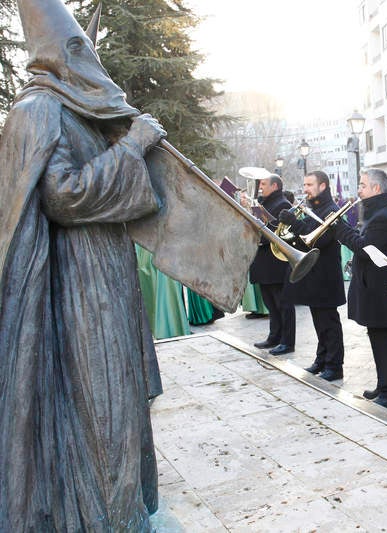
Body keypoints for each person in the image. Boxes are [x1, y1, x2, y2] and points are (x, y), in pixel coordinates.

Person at [0, 1, 164, 528]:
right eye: (78, 48)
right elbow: (63, 196)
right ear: (59, 53)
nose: (87, 56)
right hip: (74, 288)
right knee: (102, 406)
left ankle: (122, 511)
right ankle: (103, 518)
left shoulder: (78, 108)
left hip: (105, 275)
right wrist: (132, 147)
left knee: (120, 404)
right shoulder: (37, 111)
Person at [335, 168, 387, 408]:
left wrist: (340, 229)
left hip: (382, 289)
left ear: (376, 188)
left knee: (385, 341)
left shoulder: (384, 216)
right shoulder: (378, 212)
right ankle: (384, 385)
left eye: (363, 185)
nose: (359, 189)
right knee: (377, 338)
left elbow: (366, 248)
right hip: (374, 287)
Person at [279, 171, 346, 381]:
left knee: (329, 322)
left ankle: (335, 366)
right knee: (319, 321)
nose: (305, 188)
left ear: (323, 186)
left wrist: (295, 223)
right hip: (314, 274)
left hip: (326, 276)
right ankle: (321, 359)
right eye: (305, 184)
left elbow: (318, 239)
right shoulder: (314, 208)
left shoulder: (331, 210)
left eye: (309, 184)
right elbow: (302, 239)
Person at [250, 175, 296, 354]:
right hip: (263, 263)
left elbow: (277, 231)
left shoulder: (283, 204)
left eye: (263, 184)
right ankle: (274, 336)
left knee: (283, 304)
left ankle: (287, 341)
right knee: (270, 302)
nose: (260, 187)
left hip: (276, 263)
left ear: (275, 186)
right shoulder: (265, 204)